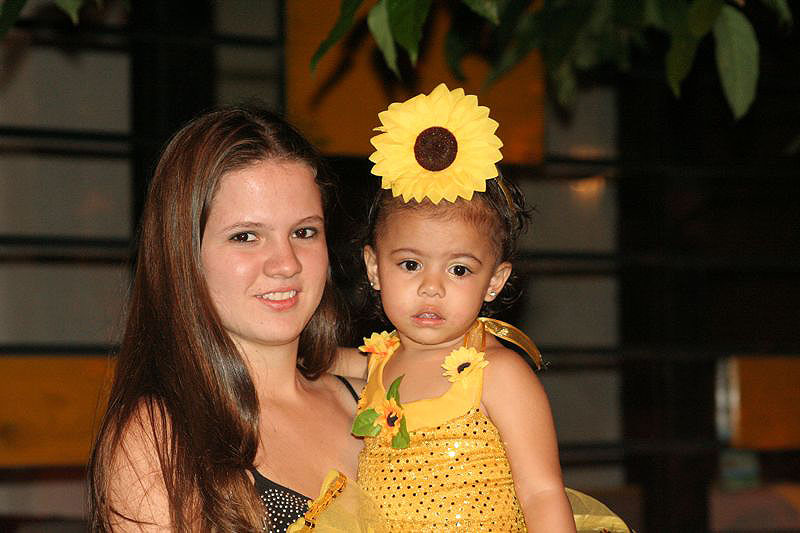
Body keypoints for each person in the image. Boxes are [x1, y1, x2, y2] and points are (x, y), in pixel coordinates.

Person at [87, 106, 365, 532]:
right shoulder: (160, 438)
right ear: (185, 255)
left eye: (303, 232)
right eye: (246, 236)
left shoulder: (374, 398)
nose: (286, 263)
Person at [338, 84, 578, 532]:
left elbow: (541, 493)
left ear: (494, 282)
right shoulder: (377, 362)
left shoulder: (499, 374)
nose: (431, 288)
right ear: (373, 268)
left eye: (459, 270)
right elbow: (312, 361)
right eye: (410, 264)